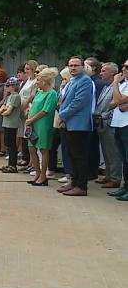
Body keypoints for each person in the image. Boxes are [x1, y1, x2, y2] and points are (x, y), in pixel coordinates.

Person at [57, 56, 94, 196]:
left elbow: (78, 102)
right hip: (69, 123)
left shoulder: (85, 81)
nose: (73, 68)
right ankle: (73, 181)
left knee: (79, 156)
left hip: (78, 124)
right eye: (70, 65)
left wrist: (62, 115)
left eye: (76, 65)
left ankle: (81, 186)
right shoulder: (73, 80)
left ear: (83, 66)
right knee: (72, 155)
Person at [25, 68, 59, 186]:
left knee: (44, 149)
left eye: (38, 80)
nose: (37, 82)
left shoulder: (52, 93)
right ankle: (37, 173)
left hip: (43, 124)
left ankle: (44, 175)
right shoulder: (39, 92)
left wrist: (31, 120)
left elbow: (45, 111)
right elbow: (33, 106)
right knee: (32, 148)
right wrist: (29, 118)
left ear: (45, 81)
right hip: (33, 123)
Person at [94, 63, 121, 188]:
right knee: (106, 151)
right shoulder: (106, 86)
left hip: (110, 124)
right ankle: (109, 175)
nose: (101, 73)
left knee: (113, 152)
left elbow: (114, 105)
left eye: (104, 71)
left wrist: (104, 116)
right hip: (102, 124)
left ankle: (115, 178)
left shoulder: (117, 87)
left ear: (112, 73)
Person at [108, 60, 128, 200]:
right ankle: (125, 186)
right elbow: (113, 103)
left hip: (126, 124)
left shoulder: (119, 83)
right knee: (123, 158)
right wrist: (120, 100)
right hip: (118, 123)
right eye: (124, 66)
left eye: (127, 67)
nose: (124, 68)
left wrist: (115, 83)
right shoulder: (124, 84)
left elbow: (119, 100)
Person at [0, 77, 23, 173]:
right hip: (6, 123)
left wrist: (4, 111)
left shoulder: (16, 96)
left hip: (12, 123)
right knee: (8, 143)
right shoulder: (9, 97)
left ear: (13, 86)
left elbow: (8, 111)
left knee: (12, 144)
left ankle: (13, 165)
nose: (6, 87)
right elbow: (1, 109)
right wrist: (3, 110)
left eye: (8, 85)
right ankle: (10, 164)